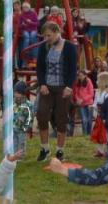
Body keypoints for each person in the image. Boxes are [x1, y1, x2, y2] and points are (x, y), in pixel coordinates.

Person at [35, 21, 79, 162]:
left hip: (63, 88)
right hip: (47, 87)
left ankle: (60, 151)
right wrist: (42, 84)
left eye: (49, 35)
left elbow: (73, 69)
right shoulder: (43, 47)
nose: (46, 38)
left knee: (61, 118)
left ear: (56, 32)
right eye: (44, 36)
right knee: (41, 114)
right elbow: (40, 68)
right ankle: (45, 148)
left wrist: (69, 87)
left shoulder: (70, 47)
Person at [91, 71, 108, 158]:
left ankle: (107, 151)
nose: (96, 81)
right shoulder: (98, 91)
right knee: (98, 133)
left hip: (106, 117)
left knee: (106, 134)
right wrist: (94, 108)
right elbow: (96, 102)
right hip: (99, 116)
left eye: (98, 80)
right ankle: (100, 151)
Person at [71, 69, 95, 136]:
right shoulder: (77, 82)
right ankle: (85, 134)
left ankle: (89, 134)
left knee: (89, 120)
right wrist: (77, 99)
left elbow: (91, 93)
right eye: (79, 76)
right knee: (84, 120)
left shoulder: (88, 81)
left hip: (89, 103)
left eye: (81, 75)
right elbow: (75, 93)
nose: (80, 77)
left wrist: (83, 99)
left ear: (85, 75)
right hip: (81, 104)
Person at [13, 81, 34, 157]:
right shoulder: (12, 103)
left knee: (21, 142)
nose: (14, 94)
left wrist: (28, 128)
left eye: (16, 92)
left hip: (22, 129)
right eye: (14, 92)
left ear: (22, 93)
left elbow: (30, 117)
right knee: (14, 142)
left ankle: (21, 156)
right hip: (13, 127)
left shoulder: (28, 104)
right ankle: (14, 155)